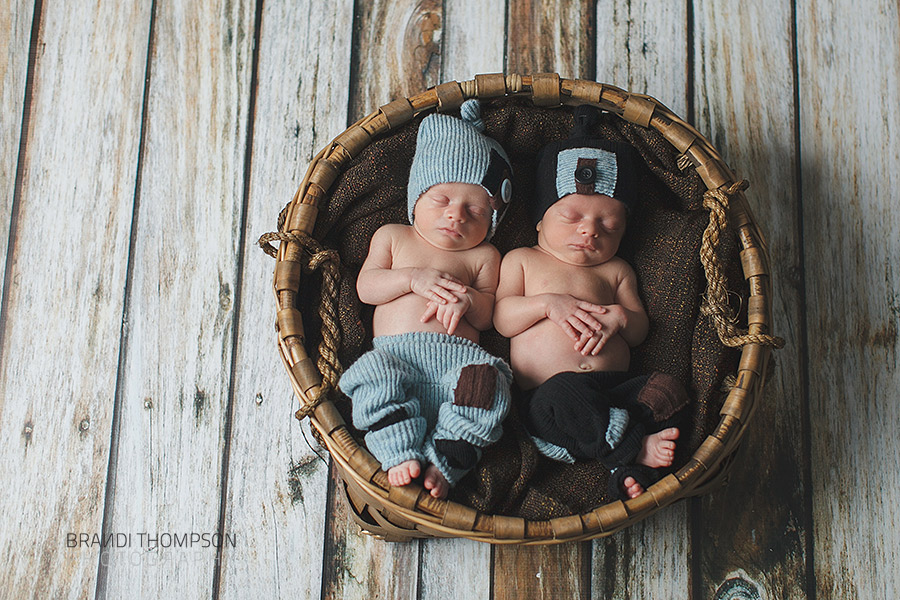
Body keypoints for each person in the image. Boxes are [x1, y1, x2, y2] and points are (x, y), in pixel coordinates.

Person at [493, 105, 688, 500]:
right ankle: (630, 449)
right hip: (550, 406)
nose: (589, 230)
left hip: (615, 392)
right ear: (539, 221)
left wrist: (620, 318)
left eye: (609, 225)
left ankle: (625, 472)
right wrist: (547, 304)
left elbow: (638, 330)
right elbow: (501, 318)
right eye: (571, 216)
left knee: (668, 389)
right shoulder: (524, 261)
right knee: (565, 392)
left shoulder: (615, 271)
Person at [339, 100, 514, 500]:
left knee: (491, 381)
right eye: (442, 201)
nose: (457, 216)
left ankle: (449, 456)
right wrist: (412, 278)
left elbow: (490, 316)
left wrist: (469, 300)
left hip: (457, 365)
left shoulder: (483, 257)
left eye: (475, 209)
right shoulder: (394, 237)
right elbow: (367, 288)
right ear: (416, 197)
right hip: (396, 358)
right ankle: (397, 450)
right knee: (370, 373)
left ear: (492, 221)